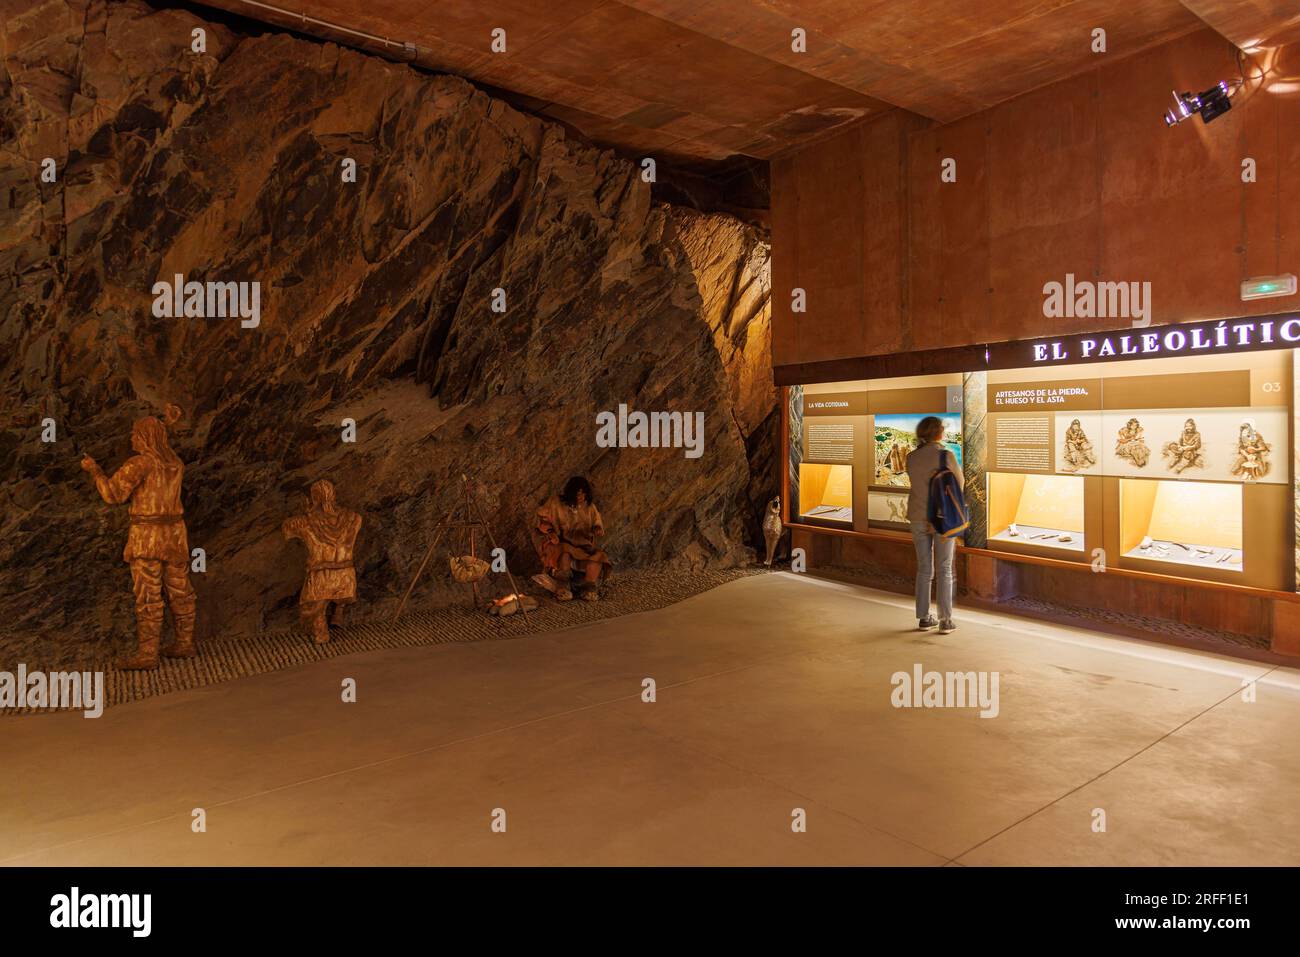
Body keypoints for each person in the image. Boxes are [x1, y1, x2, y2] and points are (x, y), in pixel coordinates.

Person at [80, 404, 197, 669]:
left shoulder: (141, 463)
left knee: (148, 595)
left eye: (135, 434)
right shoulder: (174, 463)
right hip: (175, 534)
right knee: (181, 591)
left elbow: (113, 494)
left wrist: (95, 471)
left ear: (145, 437)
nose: (132, 439)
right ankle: (185, 642)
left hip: (147, 535)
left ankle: (147, 655)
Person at [282, 479, 362, 644]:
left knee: (312, 606)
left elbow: (287, 528)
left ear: (314, 497)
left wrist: (307, 512)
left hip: (321, 575)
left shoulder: (304, 522)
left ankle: (322, 632)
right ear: (333, 495)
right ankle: (338, 612)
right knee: (339, 591)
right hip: (346, 575)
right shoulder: (354, 518)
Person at [906, 416, 962, 635]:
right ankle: (946, 620)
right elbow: (959, 483)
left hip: (917, 516)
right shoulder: (945, 455)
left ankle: (923, 617)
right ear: (938, 432)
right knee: (945, 569)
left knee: (924, 568)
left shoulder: (912, 457)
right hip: (942, 518)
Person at [531, 476, 612, 601]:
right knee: (564, 553)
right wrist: (551, 532)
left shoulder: (589, 507)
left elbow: (597, 521)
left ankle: (588, 587)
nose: (581, 497)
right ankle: (563, 586)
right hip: (561, 543)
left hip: (582, 546)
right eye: (579, 494)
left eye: (584, 494)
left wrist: (597, 528)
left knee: (599, 557)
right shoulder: (556, 503)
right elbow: (542, 519)